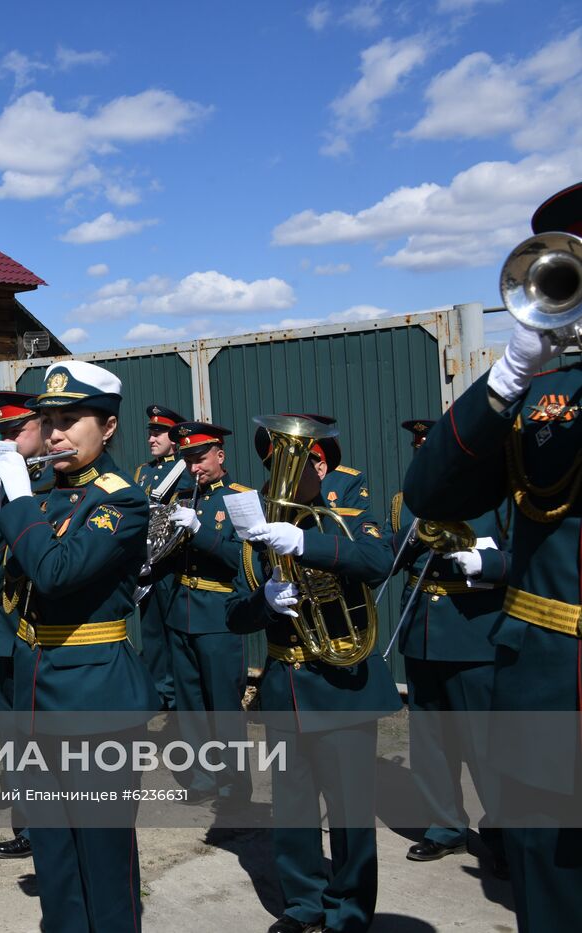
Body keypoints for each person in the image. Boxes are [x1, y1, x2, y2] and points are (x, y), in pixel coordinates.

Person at [402, 181, 582, 933]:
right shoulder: (547, 398)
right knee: (550, 888)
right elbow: (430, 488)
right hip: (547, 687)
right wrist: (510, 375)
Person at [0, 360, 155, 933]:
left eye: (72, 419)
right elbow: (0, 589)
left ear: (110, 426)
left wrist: (18, 504)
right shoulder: (44, 497)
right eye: (50, 421)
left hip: (95, 693)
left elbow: (54, 573)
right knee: (53, 853)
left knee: (102, 855)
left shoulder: (121, 502)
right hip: (33, 691)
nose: (57, 434)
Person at [231, 415, 399, 933]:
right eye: (295, 461)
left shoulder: (346, 519)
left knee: (349, 811)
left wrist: (307, 546)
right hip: (286, 685)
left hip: (343, 684)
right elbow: (234, 616)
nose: (311, 471)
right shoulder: (254, 536)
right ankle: (303, 904)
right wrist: (264, 600)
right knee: (293, 807)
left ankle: (350, 909)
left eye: (310, 460)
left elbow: (380, 560)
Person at [390, 419, 508, 875]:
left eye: (433, 450)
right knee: (431, 743)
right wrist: (414, 532)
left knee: (486, 746)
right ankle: (444, 827)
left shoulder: (494, 498)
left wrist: (489, 562)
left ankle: (504, 834)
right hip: (422, 633)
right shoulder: (408, 503)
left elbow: (529, 558)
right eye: (420, 451)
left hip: (474, 634)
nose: (425, 458)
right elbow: (389, 558)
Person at [0, 389, 51, 860]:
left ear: (43, 428)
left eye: (16, 431)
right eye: (2, 433)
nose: (8, 442)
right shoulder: (3, 483)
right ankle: (28, 827)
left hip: (43, 631)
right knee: (15, 734)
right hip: (6, 624)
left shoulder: (55, 485)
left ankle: (53, 828)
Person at [164, 422, 253, 808]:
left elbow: (246, 560)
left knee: (224, 705)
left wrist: (200, 531)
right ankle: (202, 778)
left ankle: (234, 783)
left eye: (199, 459)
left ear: (220, 455)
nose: (194, 468)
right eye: (187, 460)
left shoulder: (242, 498)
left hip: (219, 614)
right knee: (190, 704)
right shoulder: (183, 496)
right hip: (181, 612)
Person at [133, 404, 196, 711]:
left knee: (177, 635)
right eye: (151, 433)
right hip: (149, 567)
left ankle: (180, 698)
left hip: (174, 565)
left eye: (158, 433)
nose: (151, 439)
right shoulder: (142, 472)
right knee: (153, 634)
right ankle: (160, 695)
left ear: (174, 438)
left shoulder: (185, 470)